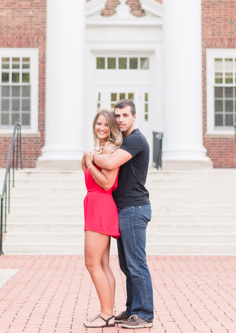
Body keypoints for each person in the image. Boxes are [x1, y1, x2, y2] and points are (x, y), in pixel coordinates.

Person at [86, 99, 154, 329]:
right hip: (122, 208)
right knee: (127, 266)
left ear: (135, 117)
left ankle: (144, 314)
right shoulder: (123, 140)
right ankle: (132, 310)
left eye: (125, 115)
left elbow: (111, 161)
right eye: (118, 116)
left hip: (134, 208)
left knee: (136, 265)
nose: (121, 119)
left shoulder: (135, 139)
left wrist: (89, 157)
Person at [81, 109, 122, 328]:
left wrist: (89, 164)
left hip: (101, 206)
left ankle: (106, 314)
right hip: (94, 205)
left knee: (92, 263)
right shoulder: (98, 150)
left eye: (106, 125)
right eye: (99, 124)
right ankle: (109, 312)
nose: (102, 128)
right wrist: (87, 161)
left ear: (112, 128)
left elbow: (107, 183)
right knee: (103, 264)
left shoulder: (110, 149)